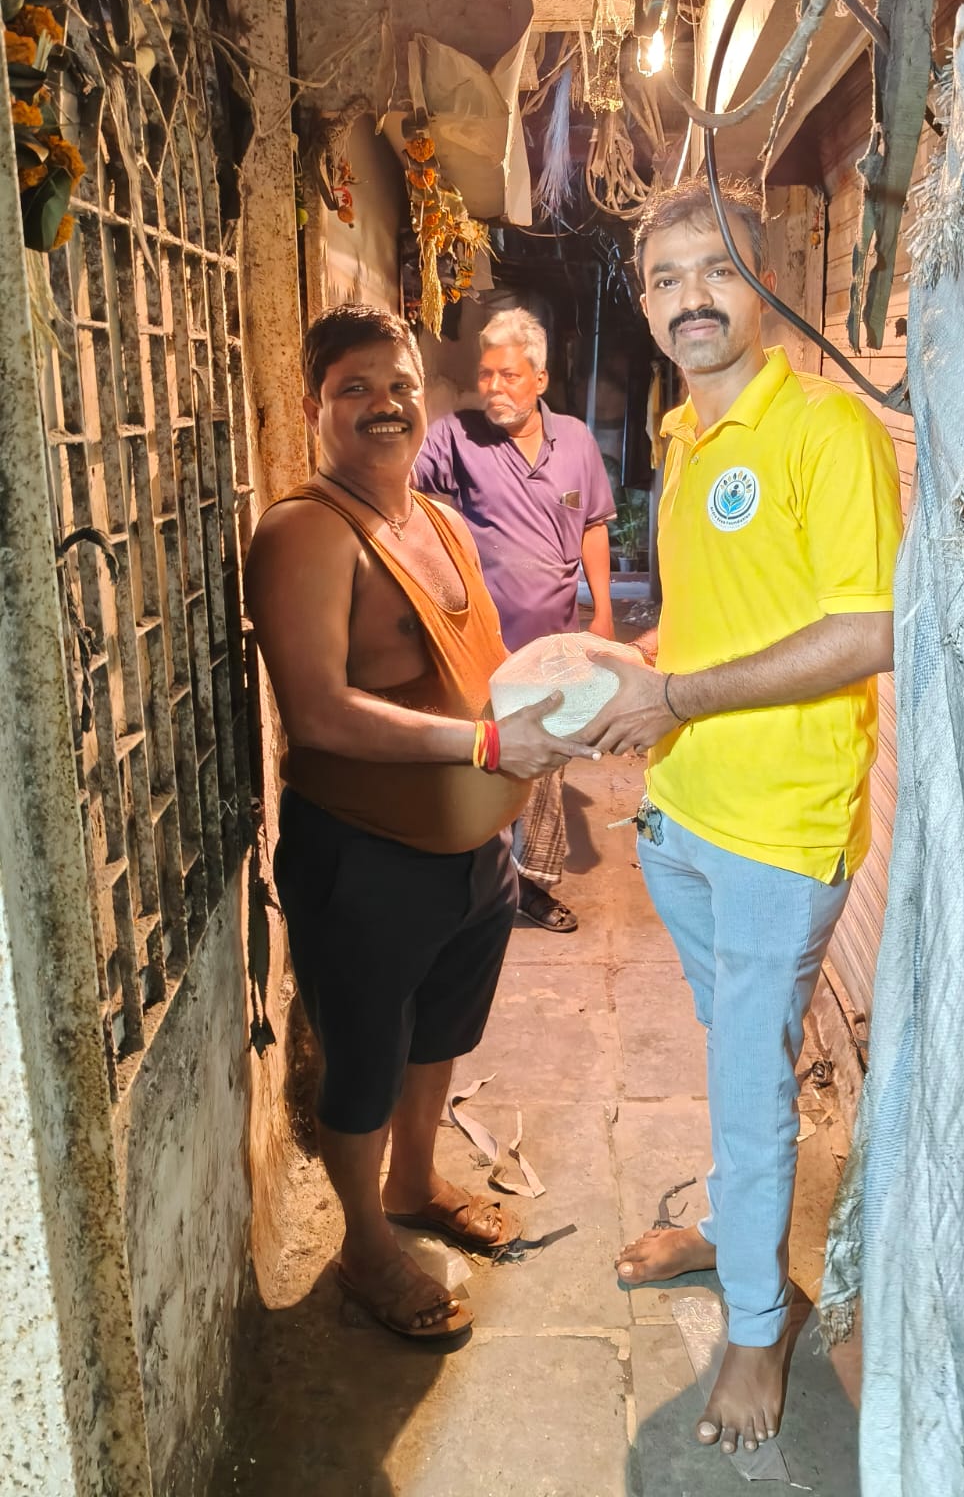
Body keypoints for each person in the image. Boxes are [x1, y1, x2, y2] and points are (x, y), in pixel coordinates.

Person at [580, 179, 903, 1452]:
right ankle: (728, 1229)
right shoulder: (680, 434)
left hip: (779, 827)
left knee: (751, 1080)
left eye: (718, 269)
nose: (692, 297)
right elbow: (712, 617)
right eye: (666, 278)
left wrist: (675, 696)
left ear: (765, 283)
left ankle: (761, 1327)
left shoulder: (828, 430)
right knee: (734, 1055)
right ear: (647, 304)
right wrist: (627, 671)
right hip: (684, 815)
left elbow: (868, 629)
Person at [245, 304, 597, 1349]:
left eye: (399, 385)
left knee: (442, 1031)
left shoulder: (438, 520)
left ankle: (413, 1182)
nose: (384, 404)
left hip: (473, 857)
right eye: (353, 388)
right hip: (365, 857)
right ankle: (364, 1246)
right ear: (314, 408)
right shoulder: (308, 532)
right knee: (363, 1058)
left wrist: (570, 696)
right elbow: (318, 711)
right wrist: (482, 746)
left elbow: (479, 663)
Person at [412, 306, 617, 935]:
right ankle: (483, 878)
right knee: (486, 757)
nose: (493, 387)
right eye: (485, 375)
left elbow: (592, 526)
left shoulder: (575, 442)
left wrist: (603, 613)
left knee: (546, 760)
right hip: (477, 641)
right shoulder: (455, 436)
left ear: (540, 379)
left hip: (552, 641)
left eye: (508, 375)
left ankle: (530, 883)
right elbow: (403, 491)